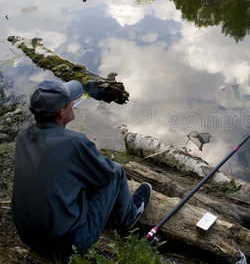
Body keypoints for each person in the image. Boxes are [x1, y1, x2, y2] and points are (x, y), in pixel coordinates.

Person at [11, 79, 151, 261]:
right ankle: (129, 216)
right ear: (62, 113)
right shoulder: (74, 143)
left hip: (28, 235)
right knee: (116, 171)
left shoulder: (23, 135)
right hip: (69, 243)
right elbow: (106, 176)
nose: (73, 104)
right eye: (70, 102)